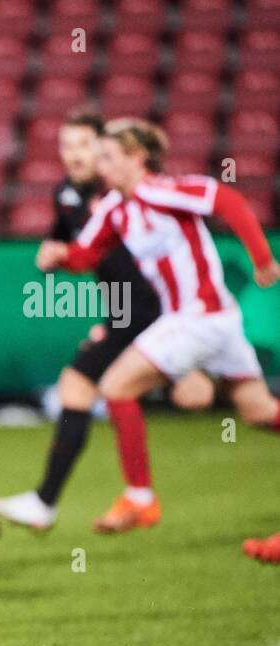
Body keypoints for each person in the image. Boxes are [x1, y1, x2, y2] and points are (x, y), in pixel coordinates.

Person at [36, 118, 280, 532]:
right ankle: (139, 497)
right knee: (258, 411)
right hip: (207, 321)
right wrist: (58, 257)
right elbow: (85, 254)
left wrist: (261, 259)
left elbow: (228, 202)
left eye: (108, 157)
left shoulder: (162, 190)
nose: (101, 165)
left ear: (137, 157)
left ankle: (140, 498)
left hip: (199, 315)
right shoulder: (114, 207)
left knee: (115, 386)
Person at [0, 111, 207, 532]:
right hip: (128, 312)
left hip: (156, 310)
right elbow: (69, 244)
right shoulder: (68, 194)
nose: (74, 155)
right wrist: (51, 256)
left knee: (232, 400)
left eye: (84, 146)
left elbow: (145, 260)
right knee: (82, 387)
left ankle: (68, 501)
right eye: (66, 146)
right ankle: (53, 501)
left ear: (106, 151)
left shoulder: (124, 195)